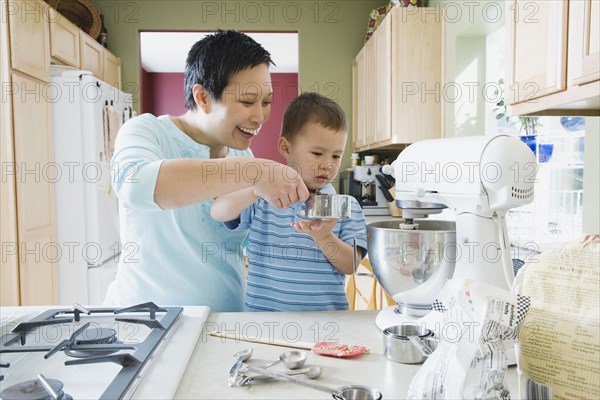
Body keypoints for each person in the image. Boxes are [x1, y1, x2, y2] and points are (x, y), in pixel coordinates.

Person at [105, 30, 309, 311]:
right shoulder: (147, 131)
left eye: (266, 101)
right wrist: (253, 171)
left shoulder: (242, 155)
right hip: (149, 325)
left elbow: (245, 241)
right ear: (202, 97)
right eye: (248, 101)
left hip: (227, 324)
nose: (260, 116)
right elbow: (135, 185)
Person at [211, 92, 368, 311]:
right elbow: (219, 211)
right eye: (317, 153)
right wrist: (255, 190)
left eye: (335, 156)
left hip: (326, 325)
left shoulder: (346, 206)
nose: (327, 165)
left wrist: (324, 237)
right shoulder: (263, 199)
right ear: (286, 147)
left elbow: (350, 265)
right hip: (262, 323)